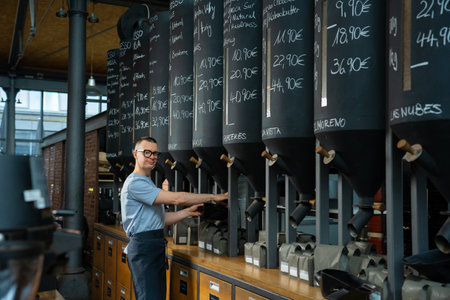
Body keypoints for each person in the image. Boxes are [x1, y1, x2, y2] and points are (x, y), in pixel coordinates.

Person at [120, 136, 228, 300]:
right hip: (145, 248)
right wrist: (214, 197)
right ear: (135, 154)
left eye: (155, 153)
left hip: (152, 245)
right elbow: (177, 199)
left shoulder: (146, 182)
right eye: (147, 152)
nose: (152, 157)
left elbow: (158, 220)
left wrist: (188, 212)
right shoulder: (135, 183)